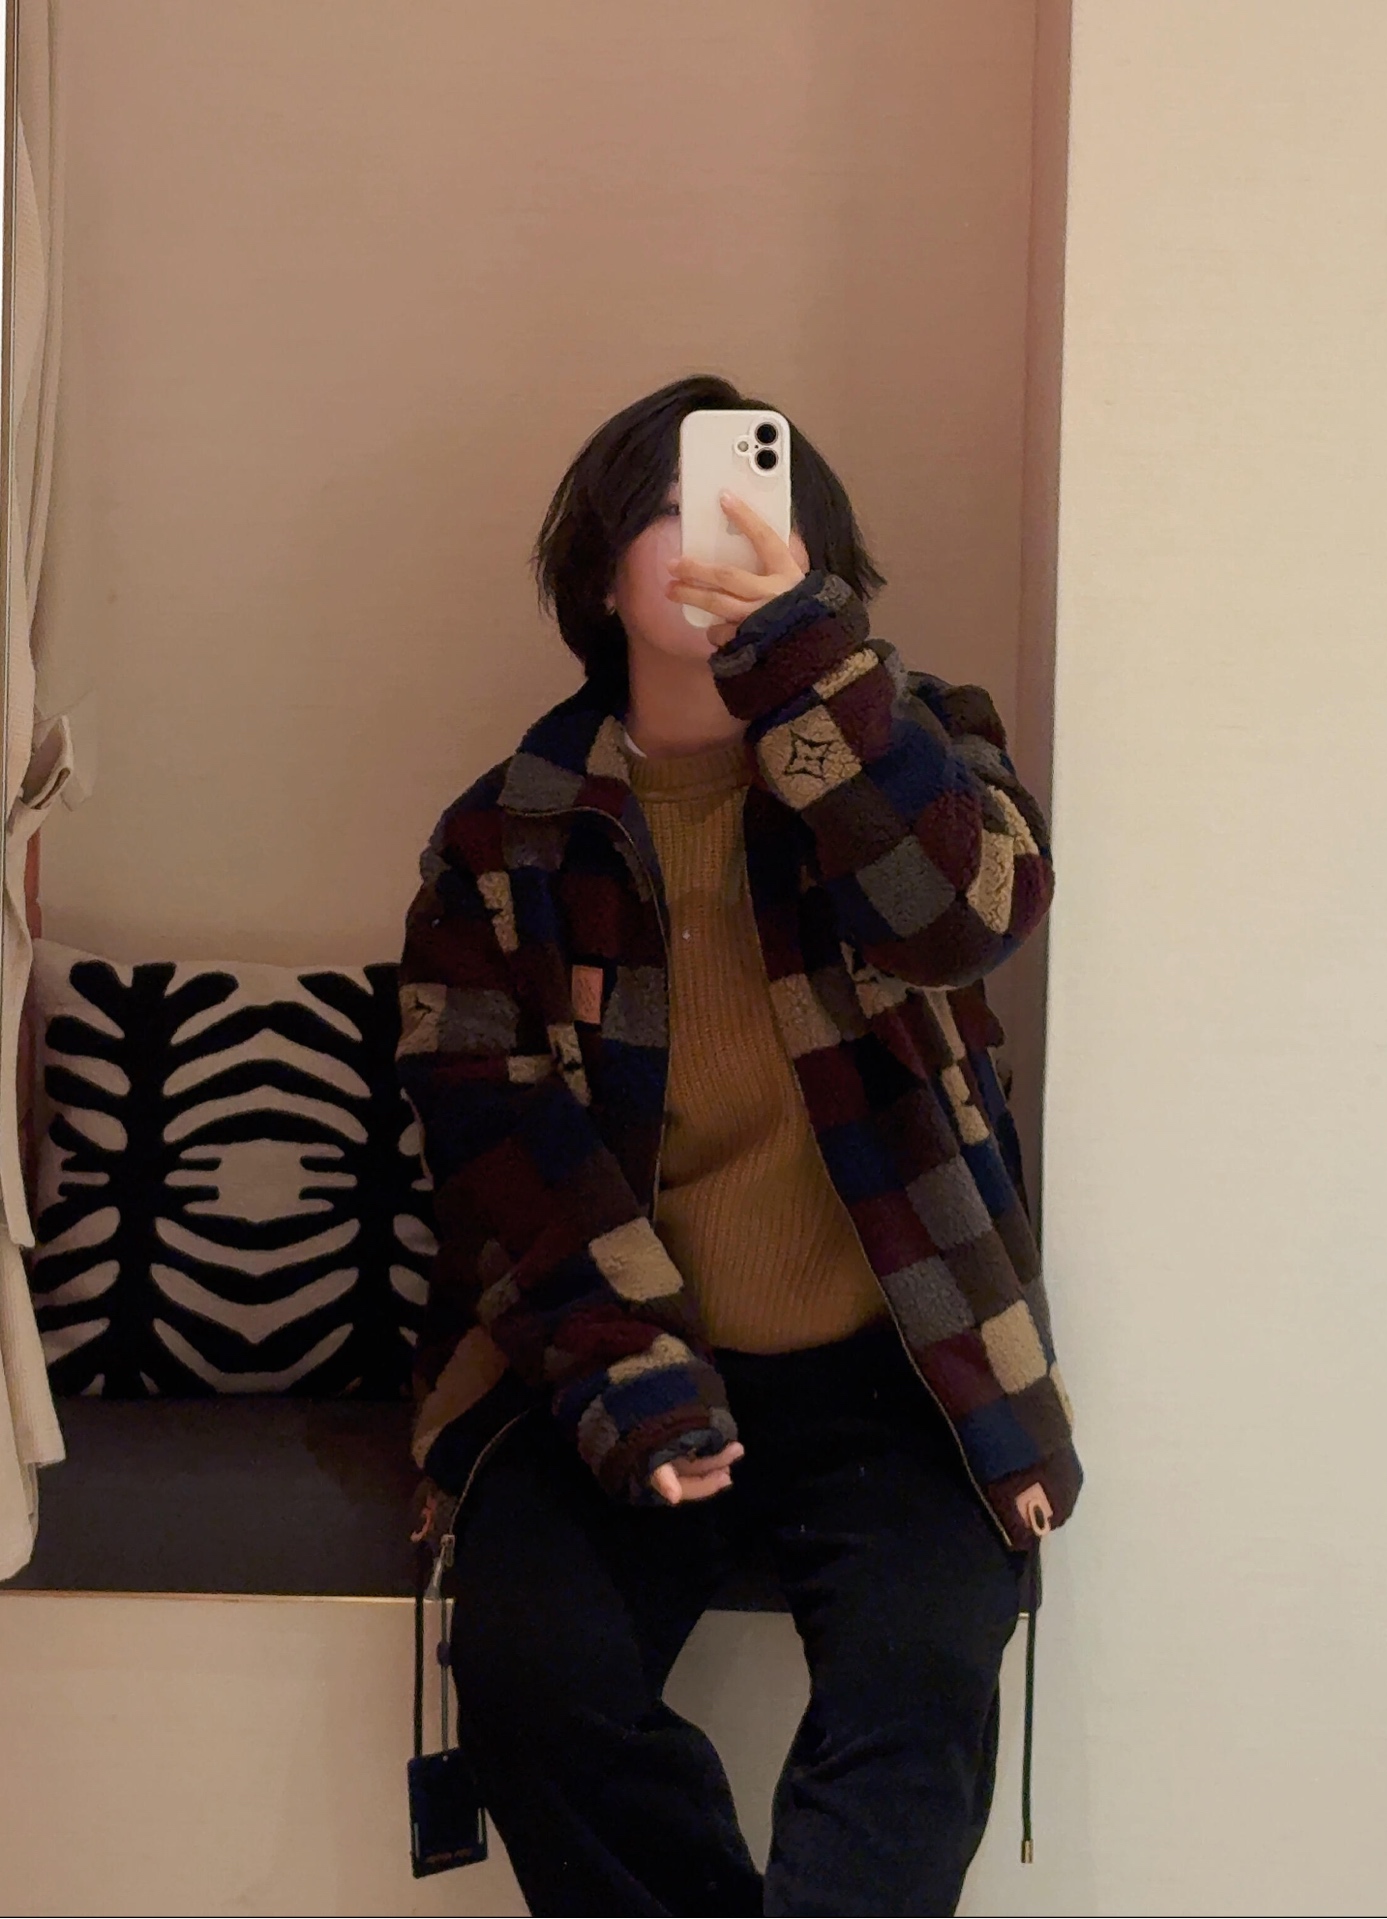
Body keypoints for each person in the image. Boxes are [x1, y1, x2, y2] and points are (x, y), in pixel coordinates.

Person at [396, 373, 1081, 1917]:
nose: (711, 539)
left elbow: (963, 919)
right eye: (670, 509)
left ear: (819, 567)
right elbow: (497, 1154)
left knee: (919, 1684)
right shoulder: (506, 839)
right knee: (533, 1674)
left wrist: (805, 671)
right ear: (598, 575)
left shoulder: (920, 751)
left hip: (900, 1368)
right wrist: (636, 1386)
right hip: (616, 1352)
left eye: (751, 511)